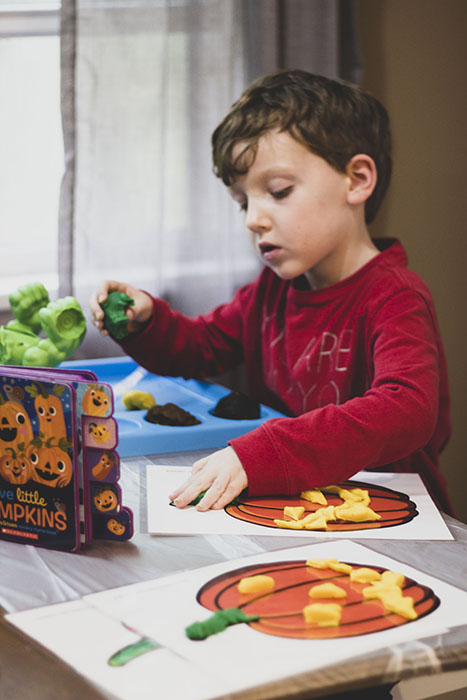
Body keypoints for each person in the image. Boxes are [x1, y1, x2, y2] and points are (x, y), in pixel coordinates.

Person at [90, 69, 453, 516]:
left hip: (387, 515)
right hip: (297, 508)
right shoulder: (270, 294)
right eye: (243, 202)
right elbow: (200, 347)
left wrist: (264, 453)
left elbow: (407, 409)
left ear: (357, 180)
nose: (252, 220)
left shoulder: (395, 295)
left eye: (278, 192)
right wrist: (149, 323)